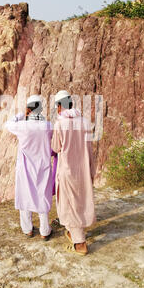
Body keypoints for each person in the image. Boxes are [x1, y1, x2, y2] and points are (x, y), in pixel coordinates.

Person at [51, 90, 96, 256]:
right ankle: (72, 232)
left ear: (60, 106)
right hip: (83, 169)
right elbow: (90, 148)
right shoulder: (84, 122)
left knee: (70, 205)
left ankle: (80, 243)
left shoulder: (59, 124)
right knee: (80, 202)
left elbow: (56, 147)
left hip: (67, 170)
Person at [5, 95, 54, 241]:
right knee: (42, 196)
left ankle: (28, 229)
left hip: (25, 167)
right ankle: (45, 230)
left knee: (24, 195)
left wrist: (22, 114)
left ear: (29, 109)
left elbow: (9, 124)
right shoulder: (48, 126)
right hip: (43, 166)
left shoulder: (22, 126)